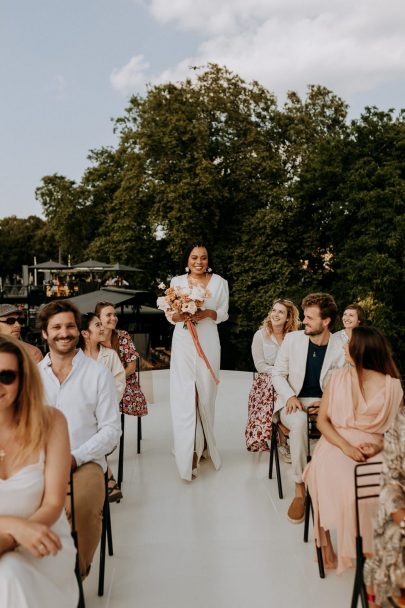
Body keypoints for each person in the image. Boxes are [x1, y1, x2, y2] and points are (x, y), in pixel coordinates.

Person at [303, 326, 403, 574]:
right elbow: (322, 421)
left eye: (348, 344)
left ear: (360, 351)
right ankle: (367, 557)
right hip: (336, 443)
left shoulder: (394, 387)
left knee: (389, 486)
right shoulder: (337, 378)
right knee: (351, 488)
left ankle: (386, 551)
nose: (343, 348)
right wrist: (346, 447)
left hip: (379, 445)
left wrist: (379, 445)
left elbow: (397, 431)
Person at [37, 300, 121, 578]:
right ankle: (36, 578)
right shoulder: (32, 377)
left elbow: (111, 430)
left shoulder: (98, 374)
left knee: (82, 507)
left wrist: (76, 457)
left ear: (79, 331)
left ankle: (74, 576)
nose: (64, 332)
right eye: (56, 327)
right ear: (45, 334)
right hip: (39, 461)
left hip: (84, 462)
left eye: (70, 326)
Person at [0, 335, 79, 607]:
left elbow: (54, 502)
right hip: (17, 534)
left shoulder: (51, 422)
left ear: (22, 380)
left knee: (9, 573)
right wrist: (13, 528)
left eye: (6, 376)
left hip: (42, 539)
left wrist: (20, 535)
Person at [272, 292, 346, 524]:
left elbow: (346, 383)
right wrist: (290, 396)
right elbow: (277, 374)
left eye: (310, 318)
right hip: (291, 401)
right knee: (300, 422)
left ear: (325, 322)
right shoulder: (293, 340)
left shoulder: (341, 347)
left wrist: (327, 403)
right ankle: (300, 489)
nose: (304, 321)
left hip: (326, 404)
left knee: (348, 423)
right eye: (304, 316)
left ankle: (335, 485)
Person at [165, 241, 229, 481]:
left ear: (208, 260)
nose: (199, 262)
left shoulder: (220, 283)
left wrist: (211, 313)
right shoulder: (177, 283)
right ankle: (187, 450)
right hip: (183, 339)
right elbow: (170, 314)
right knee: (184, 394)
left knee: (206, 391)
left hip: (209, 339)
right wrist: (178, 315)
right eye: (194, 257)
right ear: (187, 260)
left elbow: (223, 312)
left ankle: (204, 445)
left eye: (203, 257)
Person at [95, 301, 148, 498]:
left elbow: (132, 367)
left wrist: (114, 381)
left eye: (114, 314)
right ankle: (103, 441)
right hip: (100, 386)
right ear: (98, 319)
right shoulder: (94, 338)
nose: (113, 318)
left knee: (108, 402)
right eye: (108, 315)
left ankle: (108, 435)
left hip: (124, 383)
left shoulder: (122, 336)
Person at [245, 299, 300, 453]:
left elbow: (297, 363)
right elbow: (260, 365)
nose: (275, 314)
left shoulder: (293, 337)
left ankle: (284, 433)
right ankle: (280, 438)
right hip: (266, 380)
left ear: (288, 317)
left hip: (287, 379)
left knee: (285, 387)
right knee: (275, 387)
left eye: (281, 312)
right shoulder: (260, 335)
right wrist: (278, 374)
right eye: (274, 310)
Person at [78, 312, 126, 403]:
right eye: (98, 325)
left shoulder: (111, 355)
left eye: (101, 324)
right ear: (85, 333)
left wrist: (106, 404)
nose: (102, 328)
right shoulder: (75, 357)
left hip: (106, 410)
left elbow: (119, 383)